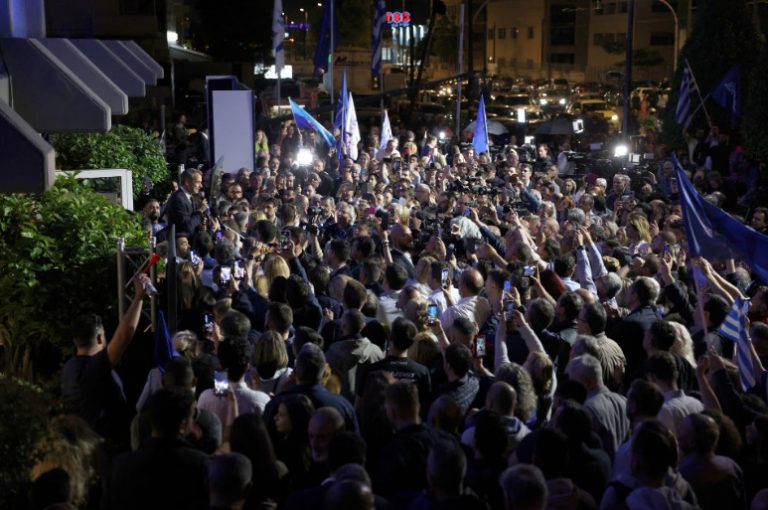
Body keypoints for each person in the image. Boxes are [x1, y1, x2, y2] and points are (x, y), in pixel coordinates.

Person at [61, 274, 149, 446]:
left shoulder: (69, 368)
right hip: (102, 450)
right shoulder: (93, 368)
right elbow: (124, 336)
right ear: (100, 338)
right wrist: (139, 297)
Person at [106, 387, 210, 510]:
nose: (193, 422)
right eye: (192, 417)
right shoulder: (199, 464)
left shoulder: (119, 465)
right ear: (182, 425)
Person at [166, 169, 208, 236]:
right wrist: (200, 211)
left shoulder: (189, 197)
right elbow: (187, 227)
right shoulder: (178, 198)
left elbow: (191, 220)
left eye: (201, 182)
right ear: (187, 182)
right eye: (198, 182)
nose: (201, 186)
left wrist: (200, 223)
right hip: (179, 243)